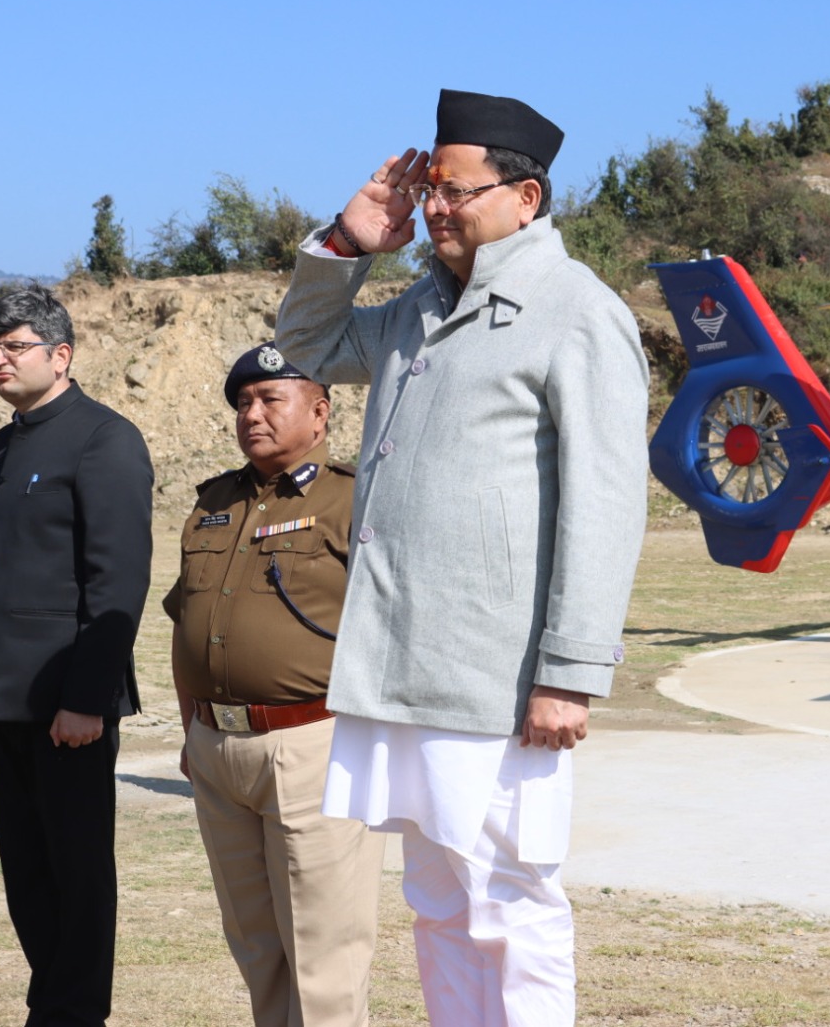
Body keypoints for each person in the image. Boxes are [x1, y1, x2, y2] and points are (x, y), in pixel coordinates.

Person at [275, 89, 649, 1026]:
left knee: (510, 900)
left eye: (456, 191)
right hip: (404, 662)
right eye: (429, 189)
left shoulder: (576, 311)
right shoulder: (419, 308)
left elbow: (606, 504)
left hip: (498, 674)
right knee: (438, 900)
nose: (436, 207)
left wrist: (570, 673)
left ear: (525, 198)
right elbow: (305, 346)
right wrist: (350, 241)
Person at [0, 285, 153, 1027]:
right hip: (2, 698)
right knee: (26, 873)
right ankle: (53, 1004)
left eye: (15, 347)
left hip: (66, 701)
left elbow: (117, 579)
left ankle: (73, 1013)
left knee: (76, 872)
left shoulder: (105, 439)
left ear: (61, 356)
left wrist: (87, 698)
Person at [163, 343, 383, 1026]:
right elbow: (185, 622)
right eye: (242, 402)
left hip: (315, 747)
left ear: (319, 412)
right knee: (258, 948)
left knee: (324, 955)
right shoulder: (214, 501)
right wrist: (191, 732)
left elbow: (398, 624)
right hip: (216, 748)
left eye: (269, 399)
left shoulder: (354, 497)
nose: (251, 414)